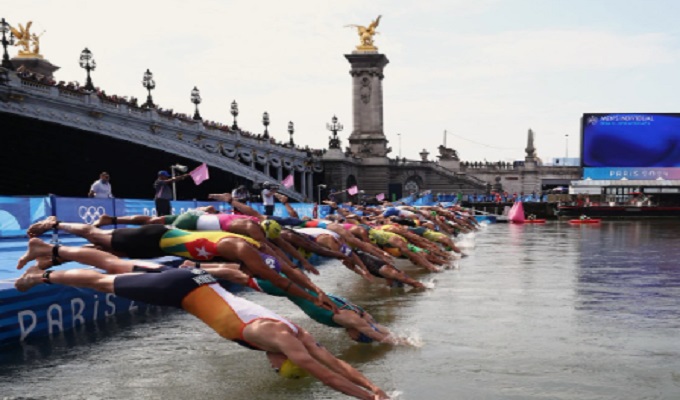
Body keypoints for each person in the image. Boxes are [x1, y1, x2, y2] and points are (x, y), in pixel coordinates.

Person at [14, 239, 389, 400]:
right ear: (284, 358)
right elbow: (326, 375)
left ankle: (51, 249)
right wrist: (365, 398)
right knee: (101, 282)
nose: (274, 369)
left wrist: (374, 388)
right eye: (280, 369)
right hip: (179, 289)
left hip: (196, 279)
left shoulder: (298, 333)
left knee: (113, 264)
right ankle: (41, 276)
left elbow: (336, 364)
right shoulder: (279, 338)